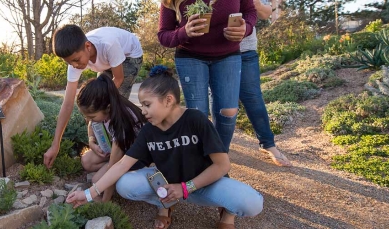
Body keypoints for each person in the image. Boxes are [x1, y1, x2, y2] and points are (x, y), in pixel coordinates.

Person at [66, 66, 263, 229]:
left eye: (147, 105)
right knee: (125, 184)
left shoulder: (195, 120)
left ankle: (227, 213)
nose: (142, 111)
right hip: (170, 186)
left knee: (252, 203)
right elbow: (120, 165)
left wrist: (186, 188)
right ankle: (166, 203)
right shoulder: (149, 130)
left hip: (204, 184)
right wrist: (88, 194)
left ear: (168, 100)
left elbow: (222, 166)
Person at [157, 0, 257, 157]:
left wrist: (247, 28)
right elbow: (163, 35)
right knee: (198, 115)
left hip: (228, 55)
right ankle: (201, 161)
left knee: (228, 112)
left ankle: (220, 157)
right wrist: (184, 32)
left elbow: (250, 11)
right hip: (189, 57)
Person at [44, 25, 144, 168]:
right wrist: (55, 145)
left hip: (129, 56)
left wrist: (101, 101)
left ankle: (124, 156)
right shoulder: (75, 59)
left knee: (110, 107)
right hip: (107, 62)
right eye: (70, 62)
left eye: (77, 60)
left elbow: (119, 78)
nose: (75, 65)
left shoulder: (108, 44)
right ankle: (106, 150)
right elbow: (67, 103)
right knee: (93, 109)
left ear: (88, 46)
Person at [76, 72, 147, 202]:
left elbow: (115, 164)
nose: (88, 119)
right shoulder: (106, 105)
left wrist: (105, 202)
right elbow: (91, 124)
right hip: (120, 149)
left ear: (107, 108)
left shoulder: (122, 122)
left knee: (97, 181)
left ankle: (119, 183)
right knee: (87, 161)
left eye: (91, 116)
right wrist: (91, 142)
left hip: (137, 158)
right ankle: (108, 173)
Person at [239, 0, 292, 166]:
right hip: (215, 52)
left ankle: (268, 144)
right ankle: (219, 151)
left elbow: (266, 12)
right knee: (223, 103)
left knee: (253, 97)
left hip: (245, 50)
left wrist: (255, 3)